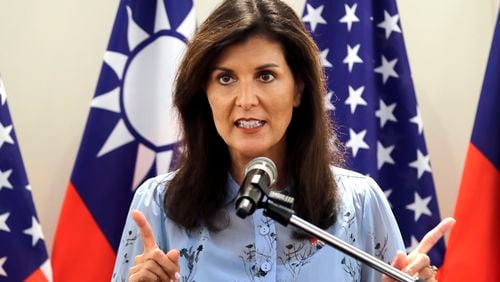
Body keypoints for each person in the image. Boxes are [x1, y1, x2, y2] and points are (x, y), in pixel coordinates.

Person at [112, 0, 454, 281]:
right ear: (204, 93)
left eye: (266, 76)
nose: (246, 99)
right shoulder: (158, 204)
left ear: (299, 89)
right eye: (226, 78)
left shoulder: (360, 202)